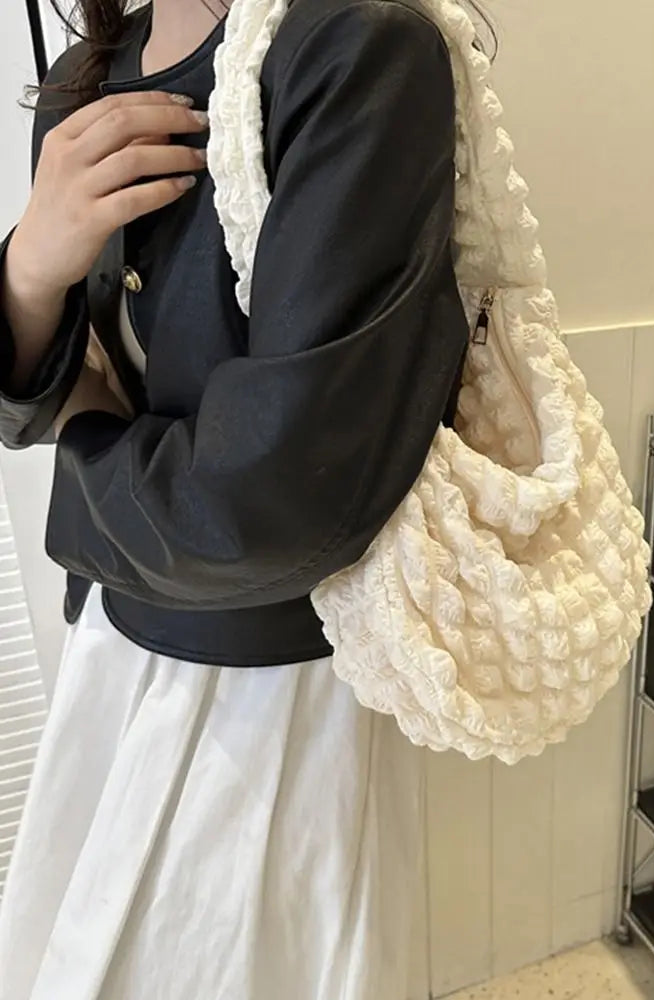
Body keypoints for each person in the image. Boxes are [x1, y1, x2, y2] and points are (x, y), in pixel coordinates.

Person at [0, 0, 473, 996]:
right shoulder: (90, 76)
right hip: (114, 641)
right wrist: (30, 272)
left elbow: (274, 501)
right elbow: (42, 395)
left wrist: (85, 442)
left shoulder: (353, 45)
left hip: (272, 685)